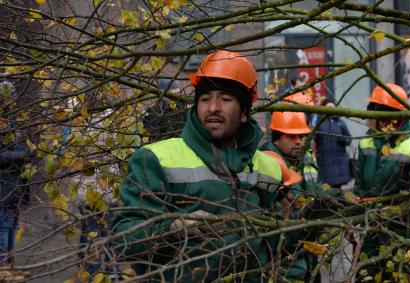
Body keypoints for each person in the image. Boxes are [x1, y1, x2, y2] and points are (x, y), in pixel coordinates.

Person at [111, 50, 284, 282]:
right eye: (205, 99)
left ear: (244, 113)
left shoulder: (267, 169)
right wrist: (172, 228)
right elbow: (123, 241)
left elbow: (275, 244)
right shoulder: (156, 159)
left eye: (225, 98)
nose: (213, 107)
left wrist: (304, 225)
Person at [353, 83, 410, 282]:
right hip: (370, 227)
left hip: (401, 231)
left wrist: (395, 212)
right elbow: (360, 186)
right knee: (365, 274)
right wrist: (354, 213)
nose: (371, 118)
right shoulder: (366, 142)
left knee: (399, 276)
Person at [261, 111, 322, 282]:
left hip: (309, 253)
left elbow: (317, 191)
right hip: (285, 260)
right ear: (277, 137)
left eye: (302, 136)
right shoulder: (267, 165)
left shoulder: (306, 159)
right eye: (291, 136)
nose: (299, 141)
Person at [0, 80, 33, 263]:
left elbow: (23, 151)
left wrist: (30, 154)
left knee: (11, 228)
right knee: (3, 229)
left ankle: (8, 268)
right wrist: (21, 155)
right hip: (3, 190)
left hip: (14, 189)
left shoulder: (14, 122)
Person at [314, 98, 352, 192]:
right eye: (328, 107)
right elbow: (314, 138)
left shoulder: (340, 122)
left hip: (339, 159)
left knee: (339, 187)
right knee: (327, 187)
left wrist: (342, 140)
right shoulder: (319, 123)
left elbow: (349, 138)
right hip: (325, 160)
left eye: (333, 107)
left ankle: (341, 204)